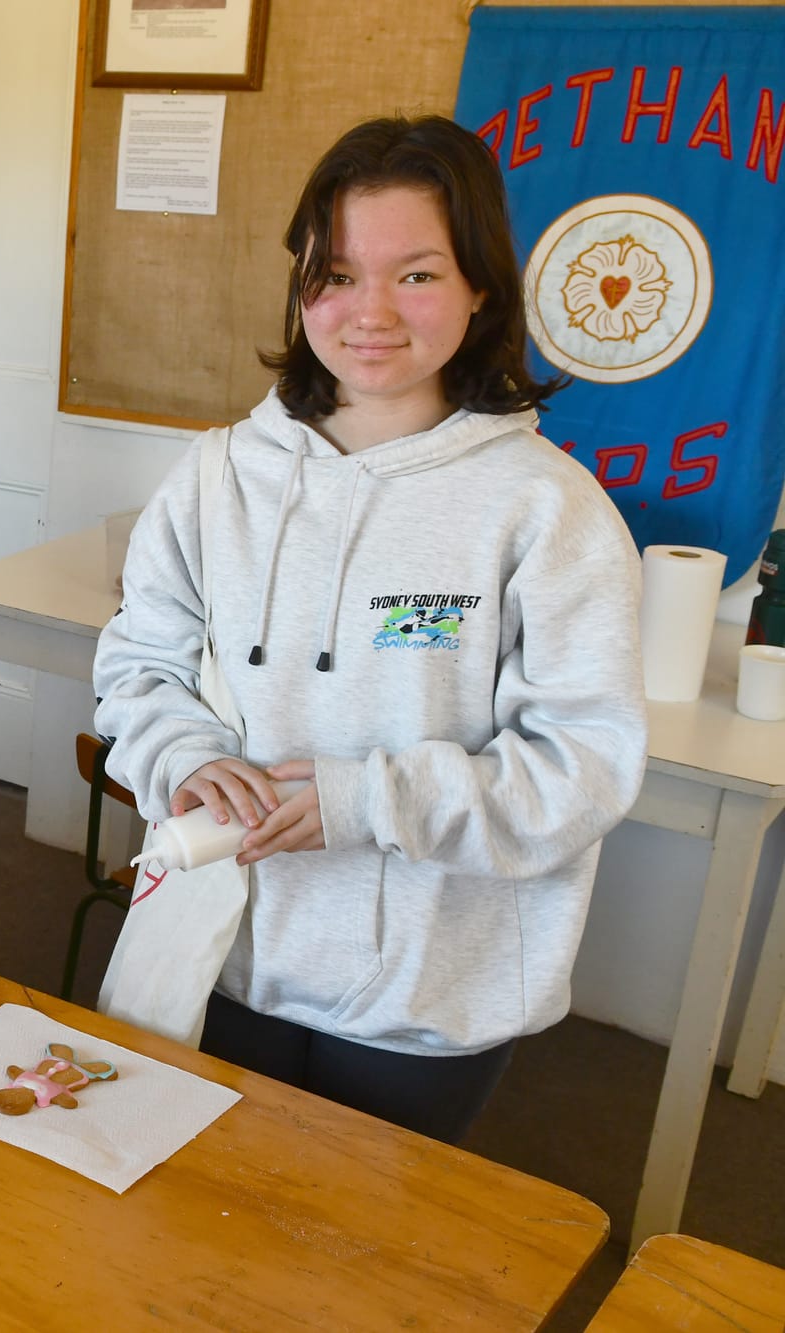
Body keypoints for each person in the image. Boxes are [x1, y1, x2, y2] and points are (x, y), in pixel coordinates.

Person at [91, 116, 648, 1142]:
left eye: (417, 274)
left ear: (481, 287)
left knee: (361, 1235)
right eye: (337, 275)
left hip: (425, 994)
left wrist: (366, 800)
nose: (370, 313)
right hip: (221, 946)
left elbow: (582, 769)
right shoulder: (218, 474)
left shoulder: (545, 507)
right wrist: (180, 754)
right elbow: (138, 662)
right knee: (188, 1209)